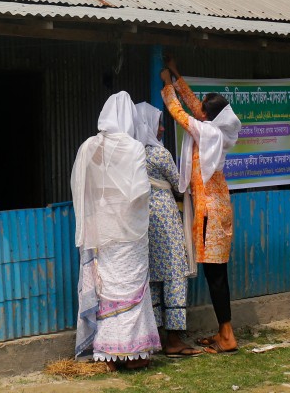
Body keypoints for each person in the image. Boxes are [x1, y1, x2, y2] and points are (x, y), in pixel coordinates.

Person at [72, 91, 161, 368]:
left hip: (102, 226)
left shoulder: (89, 146)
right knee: (131, 283)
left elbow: (81, 187)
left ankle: (110, 354)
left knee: (108, 285)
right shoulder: (134, 147)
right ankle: (133, 354)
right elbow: (139, 191)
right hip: (129, 228)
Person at [159, 59, 241, 352]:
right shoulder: (214, 129)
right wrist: (178, 76)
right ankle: (224, 332)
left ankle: (227, 336)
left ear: (210, 116)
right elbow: (195, 107)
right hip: (216, 208)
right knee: (216, 275)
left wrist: (167, 85)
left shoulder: (207, 133)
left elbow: (180, 113)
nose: (200, 110)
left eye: (205, 109)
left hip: (211, 212)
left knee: (216, 276)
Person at [133, 101, 202, 356]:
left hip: (141, 220)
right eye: (158, 123)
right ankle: (174, 340)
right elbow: (179, 183)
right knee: (174, 271)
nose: (162, 129)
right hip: (164, 217)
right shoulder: (160, 154)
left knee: (151, 276)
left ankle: (156, 336)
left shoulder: (132, 153)